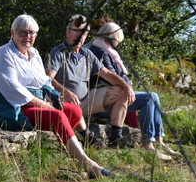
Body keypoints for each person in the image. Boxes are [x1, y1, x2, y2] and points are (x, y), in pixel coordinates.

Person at [0, 15, 116, 179]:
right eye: (23, 32)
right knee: (58, 116)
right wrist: (45, 105)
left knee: (75, 111)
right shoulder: (4, 53)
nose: (27, 37)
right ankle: (89, 164)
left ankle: (69, 152)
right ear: (12, 33)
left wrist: (54, 99)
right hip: (13, 108)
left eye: (31, 33)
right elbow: (13, 89)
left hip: (34, 105)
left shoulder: (33, 54)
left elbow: (44, 82)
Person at [85, 19, 178, 160]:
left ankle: (158, 140)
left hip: (115, 97)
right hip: (105, 100)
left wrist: (126, 84)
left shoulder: (108, 51)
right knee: (149, 97)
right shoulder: (99, 52)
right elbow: (111, 77)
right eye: (117, 41)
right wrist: (126, 84)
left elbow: (122, 77)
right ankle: (148, 145)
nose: (118, 44)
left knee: (154, 97)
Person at [45, 14, 137, 149]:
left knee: (121, 91)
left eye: (83, 33)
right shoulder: (57, 52)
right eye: (76, 31)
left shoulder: (87, 54)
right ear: (67, 31)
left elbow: (108, 74)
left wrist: (127, 87)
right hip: (65, 102)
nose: (79, 36)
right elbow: (47, 78)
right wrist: (65, 91)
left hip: (86, 101)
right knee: (68, 98)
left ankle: (115, 137)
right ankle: (87, 137)